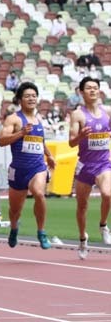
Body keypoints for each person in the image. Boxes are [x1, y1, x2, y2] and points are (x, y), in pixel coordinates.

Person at [0, 82, 55, 250]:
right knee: (15, 209)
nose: (31, 99)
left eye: (34, 96)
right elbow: (2, 141)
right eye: (27, 96)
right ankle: (14, 228)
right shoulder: (14, 119)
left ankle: (41, 232)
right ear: (20, 100)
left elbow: (39, 142)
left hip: (37, 167)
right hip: (18, 170)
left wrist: (49, 155)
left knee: (39, 193)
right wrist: (21, 133)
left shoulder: (39, 120)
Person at [68, 76, 111, 260]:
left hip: (103, 163)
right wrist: (81, 137)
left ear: (99, 91)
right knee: (82, 206)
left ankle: (103, 225)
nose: (92, 90)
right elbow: (71, 143)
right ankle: (82, 239)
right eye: (88, 88)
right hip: (85, 166)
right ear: (81, 92)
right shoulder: (78, 114)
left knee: (108, 194)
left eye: (95, 87)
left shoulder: (107, 111)